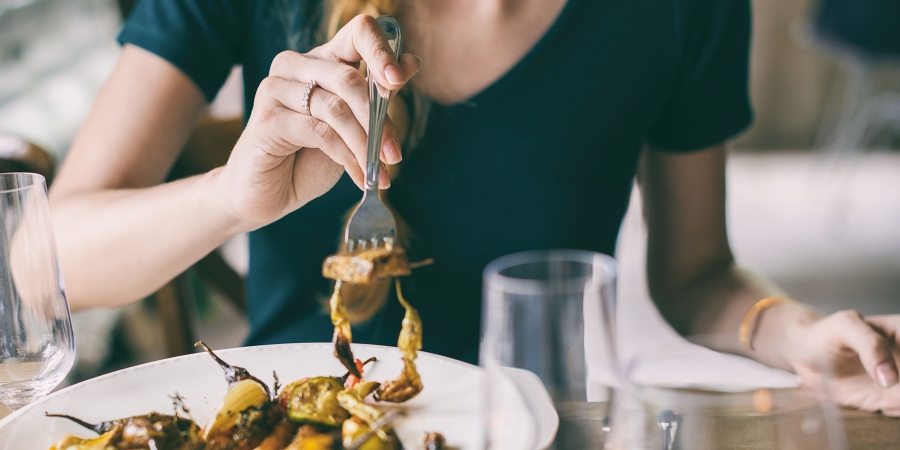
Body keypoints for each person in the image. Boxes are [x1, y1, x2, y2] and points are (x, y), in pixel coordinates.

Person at [49, 0, 899, 416]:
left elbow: (697, 275)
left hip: (535, 429)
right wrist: (231, 197)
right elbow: (41, 264)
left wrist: (799, 338)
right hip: (294, 425)